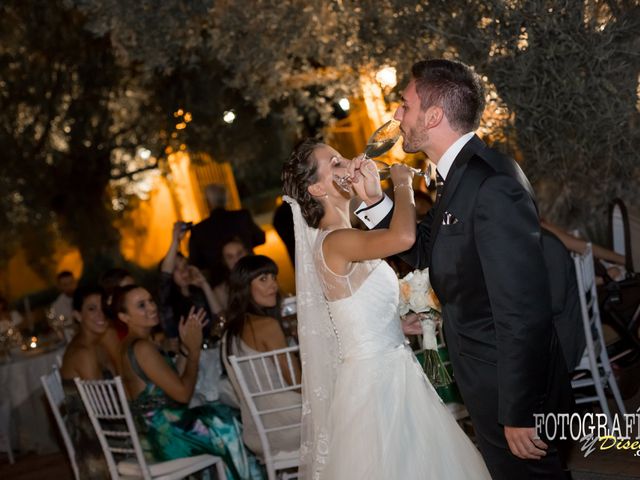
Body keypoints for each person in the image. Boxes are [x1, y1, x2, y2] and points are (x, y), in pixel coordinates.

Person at [354, 59, 573, 479]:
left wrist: (519, 408)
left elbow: (523, 309)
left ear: (433, 116)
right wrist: (375, 202)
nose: (397, 115)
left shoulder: (492, 183)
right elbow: (428, 251)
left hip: (510, 388)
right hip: (485, 380)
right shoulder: (456, 177)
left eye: (405, 104)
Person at [282, 139, 490, 479]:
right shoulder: (333, 240)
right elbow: (404, 239)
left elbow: (356, 306)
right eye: (335, 163)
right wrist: (403, 184)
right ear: (317, 187)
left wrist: (395, 323)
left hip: (394, 367)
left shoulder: (345, 235)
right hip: (375, 384)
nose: (348, 162)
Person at [114, 285, 264, 480]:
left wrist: (185, 348)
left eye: (151, 300)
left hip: (149, 435)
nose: (151, 307)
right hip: (165, 437)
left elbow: (174, 381)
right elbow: (183, 394)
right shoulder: (142, 347)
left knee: (219, 413)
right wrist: (194, 352)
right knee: (228, 421)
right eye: (141, 305)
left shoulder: (128, 345)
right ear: (124, 317)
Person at [221, 255, 301, 457]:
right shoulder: (267, 326)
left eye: (273, 277)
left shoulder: (228, 335)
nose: (273, 285)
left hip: (258, 432)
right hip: (292, 426)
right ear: (245, 288)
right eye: (263, 279)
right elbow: (298, 383)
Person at [60, 286, 113, 479]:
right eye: (91, 309)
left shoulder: (96, 343)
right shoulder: (84, 352)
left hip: (101, 425)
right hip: (94, 438)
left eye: (103, 307)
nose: (100, 314)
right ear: (78, 315)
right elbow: (103, 408)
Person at [189, 183, 266, 285]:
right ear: (226, 199)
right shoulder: (242, 216)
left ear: (208, 203)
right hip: (249, 272)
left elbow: (195, 261)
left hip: (221, 281)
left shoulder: (198, 229)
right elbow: (260, 238)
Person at [159, 221, 221, 347]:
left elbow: (219, 318)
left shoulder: (197, 293)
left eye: (185, 265)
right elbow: (165, 275)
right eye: (176, 268)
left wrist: (204, 285)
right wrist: (176, 240)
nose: (183, 271)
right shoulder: (167, 300)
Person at [211, 236, 251, 313]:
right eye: (230, 257)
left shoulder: (263, 277)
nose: (236, 260)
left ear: (247, 253)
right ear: (224, 262)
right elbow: (222, 319)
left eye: (239, 254)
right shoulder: (221, 291)